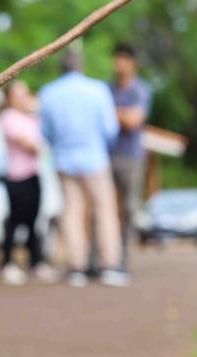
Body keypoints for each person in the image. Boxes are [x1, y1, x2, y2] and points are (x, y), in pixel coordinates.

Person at [39, 49, 128, 288]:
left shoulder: (48, 93)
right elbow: (110, 129)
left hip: (64, 161)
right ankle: (109, 265)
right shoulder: (98, 90)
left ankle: (76, 268)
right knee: (105, 211)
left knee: (72, 212)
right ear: (81, 65)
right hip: (95, 159)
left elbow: (45, 132)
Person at [0, 80, 60, 285]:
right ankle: (7, 263)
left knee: (34, 221)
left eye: (25, 94)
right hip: (17, 177)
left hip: (34, 174)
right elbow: (32, 145)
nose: (23, 98)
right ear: (9, 99)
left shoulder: (32, 118)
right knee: (15, 221)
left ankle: (36, 262)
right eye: (18, 95)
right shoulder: (8, 118)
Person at [110, 43, 152, 269]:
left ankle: (123, 259)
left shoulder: (140, 90)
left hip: (131, 157)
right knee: (104, 207)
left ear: (133, 63)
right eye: (117, 58)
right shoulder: (108, 89)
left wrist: (113, 112)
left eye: (123, 58)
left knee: (128, 207)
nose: (118, 63)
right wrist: (121, 114)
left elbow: (133, 122)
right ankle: (101, 258)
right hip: (107, 155)